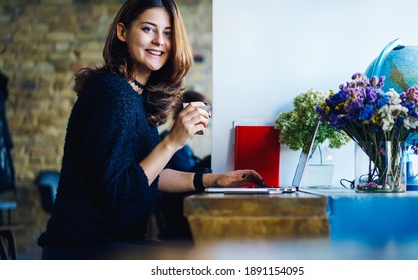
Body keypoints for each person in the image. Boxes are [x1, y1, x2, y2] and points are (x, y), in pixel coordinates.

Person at [37, 0, 264, 260]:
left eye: (167, 33)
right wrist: (173, 141)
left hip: (111, 244)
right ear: (122, 32)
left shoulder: (136, 96)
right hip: (85, 250)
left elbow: (148, 174)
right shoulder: (112, 94)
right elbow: (120, 193)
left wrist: (213, 180)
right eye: (148, 29)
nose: (159, 41)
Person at [156, 90, 211, 241]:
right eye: (204, 113)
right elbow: (184, 174)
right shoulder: (167, 143)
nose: (206, 120)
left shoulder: (184, 146)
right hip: (176, 212)